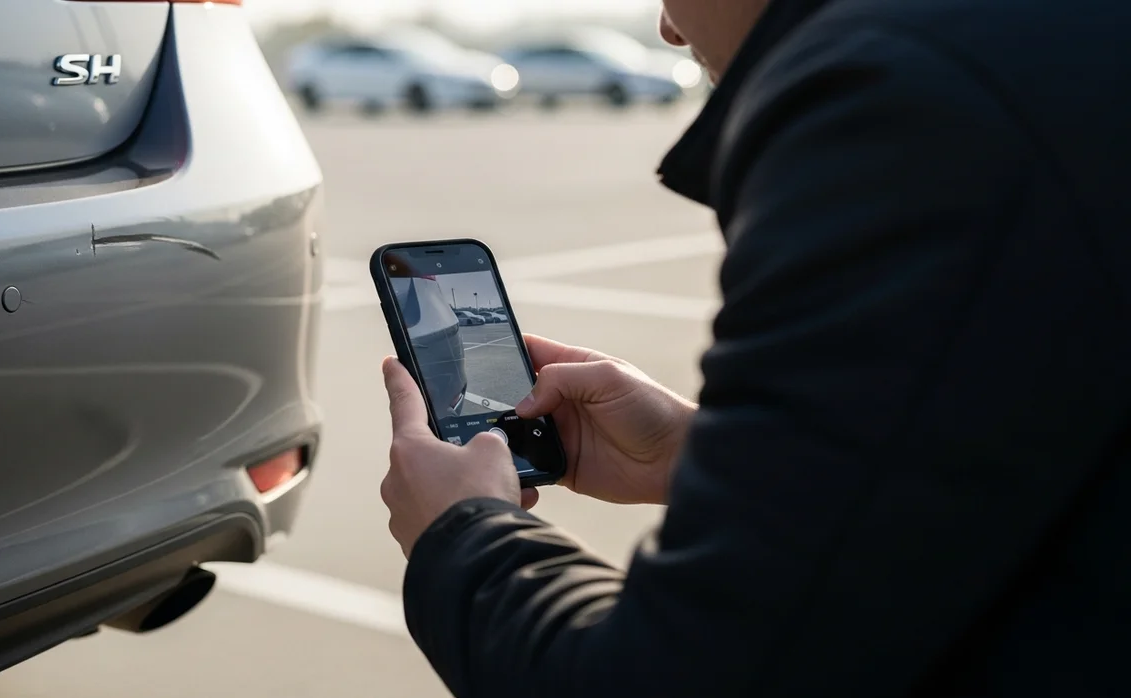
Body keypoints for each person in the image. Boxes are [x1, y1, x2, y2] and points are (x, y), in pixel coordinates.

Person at [379, 0, 1131, 695]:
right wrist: (709, 454)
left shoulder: (896, 100)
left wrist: (461, 538)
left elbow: (684, 675)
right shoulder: (1041, 40)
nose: (668, 27)